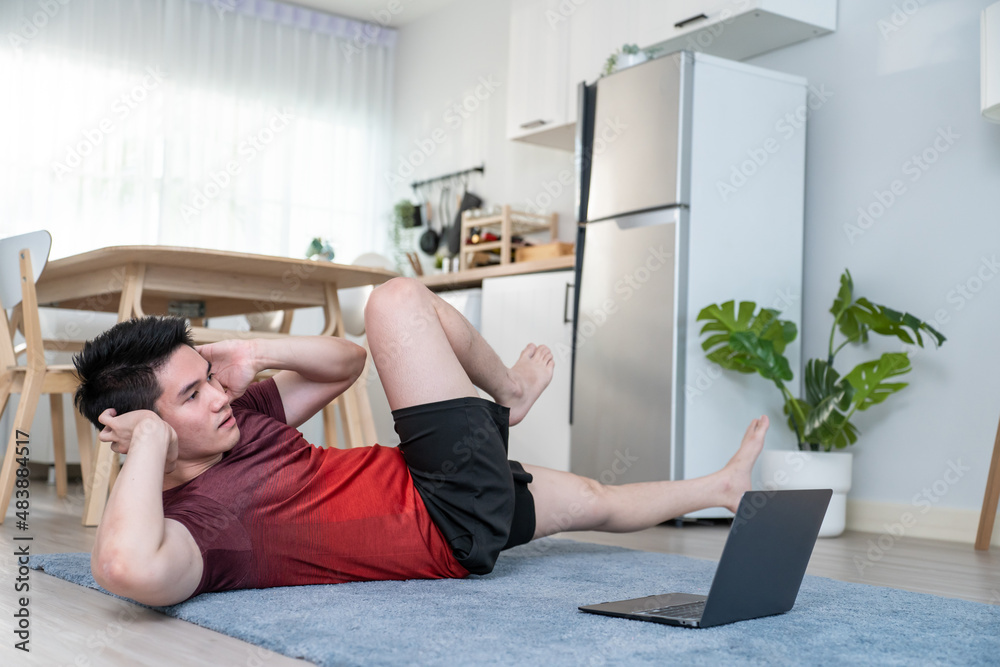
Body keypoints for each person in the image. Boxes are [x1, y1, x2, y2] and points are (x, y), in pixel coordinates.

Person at [72, 277, 769, 607]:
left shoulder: (241, 418)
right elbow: (129, 568)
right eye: (191, 395)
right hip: (445, 514)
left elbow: (346, 363)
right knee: (396, 300)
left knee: (595, 498)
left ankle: (720, 487)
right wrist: (154, 443)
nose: (219, 396)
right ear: (143, 430)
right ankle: (512, 392)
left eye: (209, 379)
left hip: (436, 484)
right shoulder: (201, 529)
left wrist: (252, 348)